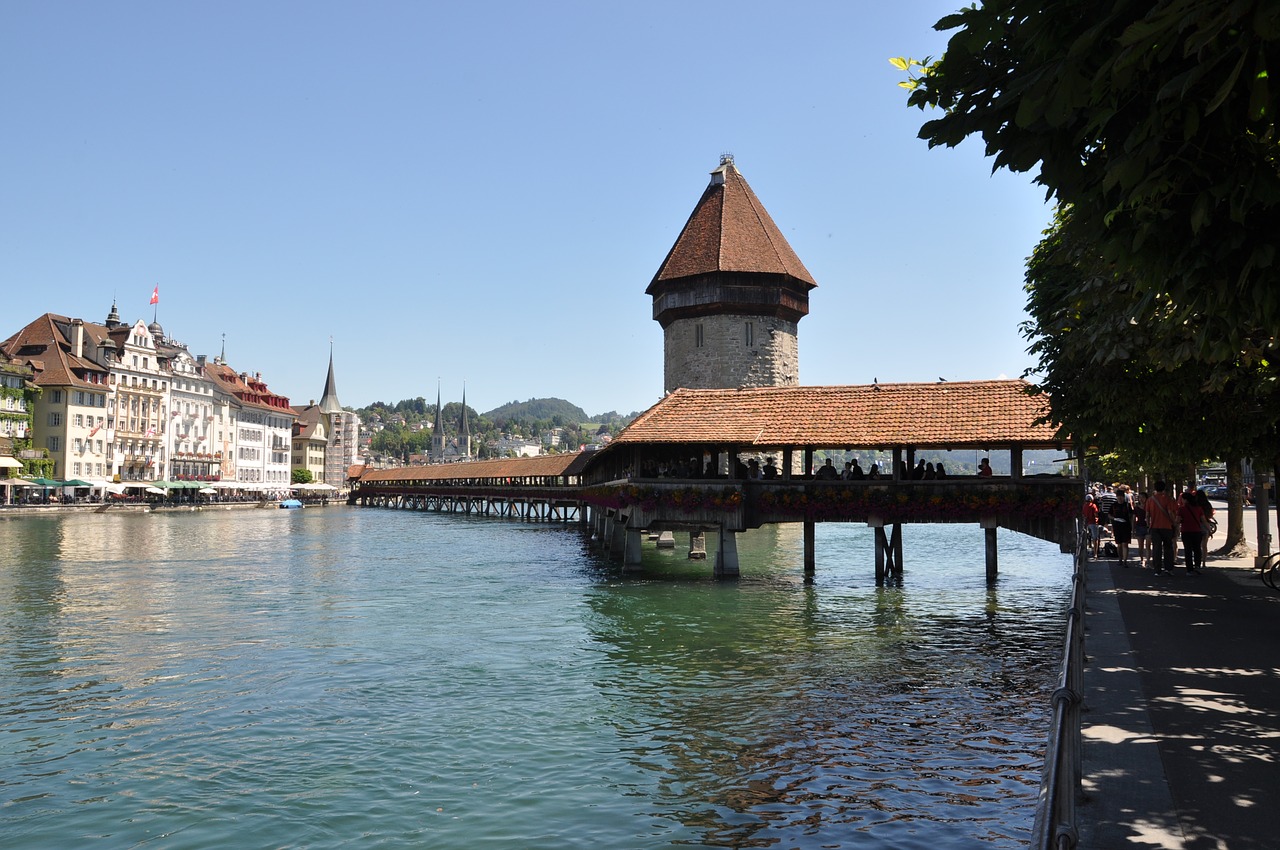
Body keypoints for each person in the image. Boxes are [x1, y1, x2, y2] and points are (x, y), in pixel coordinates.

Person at [1145, 480, 1179, 575]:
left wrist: (1148, 525)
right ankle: (1168, 568)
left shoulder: (1150, 500)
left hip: (1154, 527)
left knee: (1156, 548)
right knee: (1168, 547)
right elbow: (1170, 512)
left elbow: (1147, 515)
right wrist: (1174, 523)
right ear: (1164, 488)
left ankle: (1157, 570)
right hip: (1167, 526)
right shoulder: (1168, 499)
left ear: (1155, 488)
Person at [1177, 488, 1206, 574]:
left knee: (1188, 550)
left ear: (1185, 500)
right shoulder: (1198, 508)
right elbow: (1203, 520)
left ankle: (1189, 569)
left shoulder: (1181, 509)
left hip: (1186, 531)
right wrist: (1208, 529)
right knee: (1197, 548)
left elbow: (1177, 521)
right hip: (1197, 531)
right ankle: (1197, 565)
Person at [1110, 484, 1134, 566]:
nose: (1120, 498)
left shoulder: (1127, 505)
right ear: (1116, 497)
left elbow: (1131, 515)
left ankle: (1125, 561)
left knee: (1125, 544)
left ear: (1124, 497)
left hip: (1126, 526)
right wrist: (1114, 519)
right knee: (1119, 544)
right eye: (1118, 496)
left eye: (1121, 496)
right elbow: (1109, 514)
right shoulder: (1114, 505)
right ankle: (1120, 559)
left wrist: (1133, 527)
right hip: (1117, 526)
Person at [1133, 492, 1150, 566]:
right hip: (1139, 526)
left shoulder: (1149, 507)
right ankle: (1141, 559)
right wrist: (1133, 529)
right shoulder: (1136, 508)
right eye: (1139, 497)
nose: (1141, 499)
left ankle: (1148, 561)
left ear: (1146, 498)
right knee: (1140, 546)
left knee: (1148, 545)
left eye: (1143, 497)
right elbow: (1133, 518)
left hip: (1148, 527)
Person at [1083, 494, 1101, 559]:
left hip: (1086, 523)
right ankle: (1095, 553)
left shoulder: (1084, 506)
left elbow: (1083, 514)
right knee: (1095, 538)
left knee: (1085, 537)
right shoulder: (1093, 506)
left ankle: (1085, 552)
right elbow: (1096, 514)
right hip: (1093, 523)